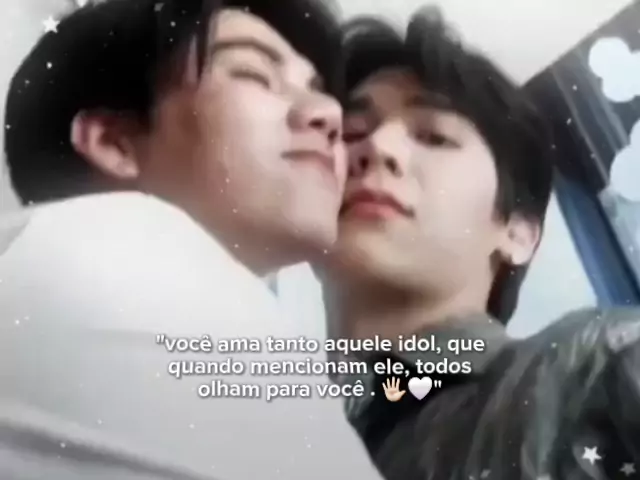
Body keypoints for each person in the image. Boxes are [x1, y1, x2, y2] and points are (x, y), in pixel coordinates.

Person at [0, 0, 380, 479]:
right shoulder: (119, 245)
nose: (329, 114)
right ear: (115, 143)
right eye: (255, 75)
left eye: (317, 89)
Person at [319, 8, 640, 480]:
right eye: (350, 133)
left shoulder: (600, 371)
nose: (376, 147)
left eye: (434, 137)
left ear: (517, 233)